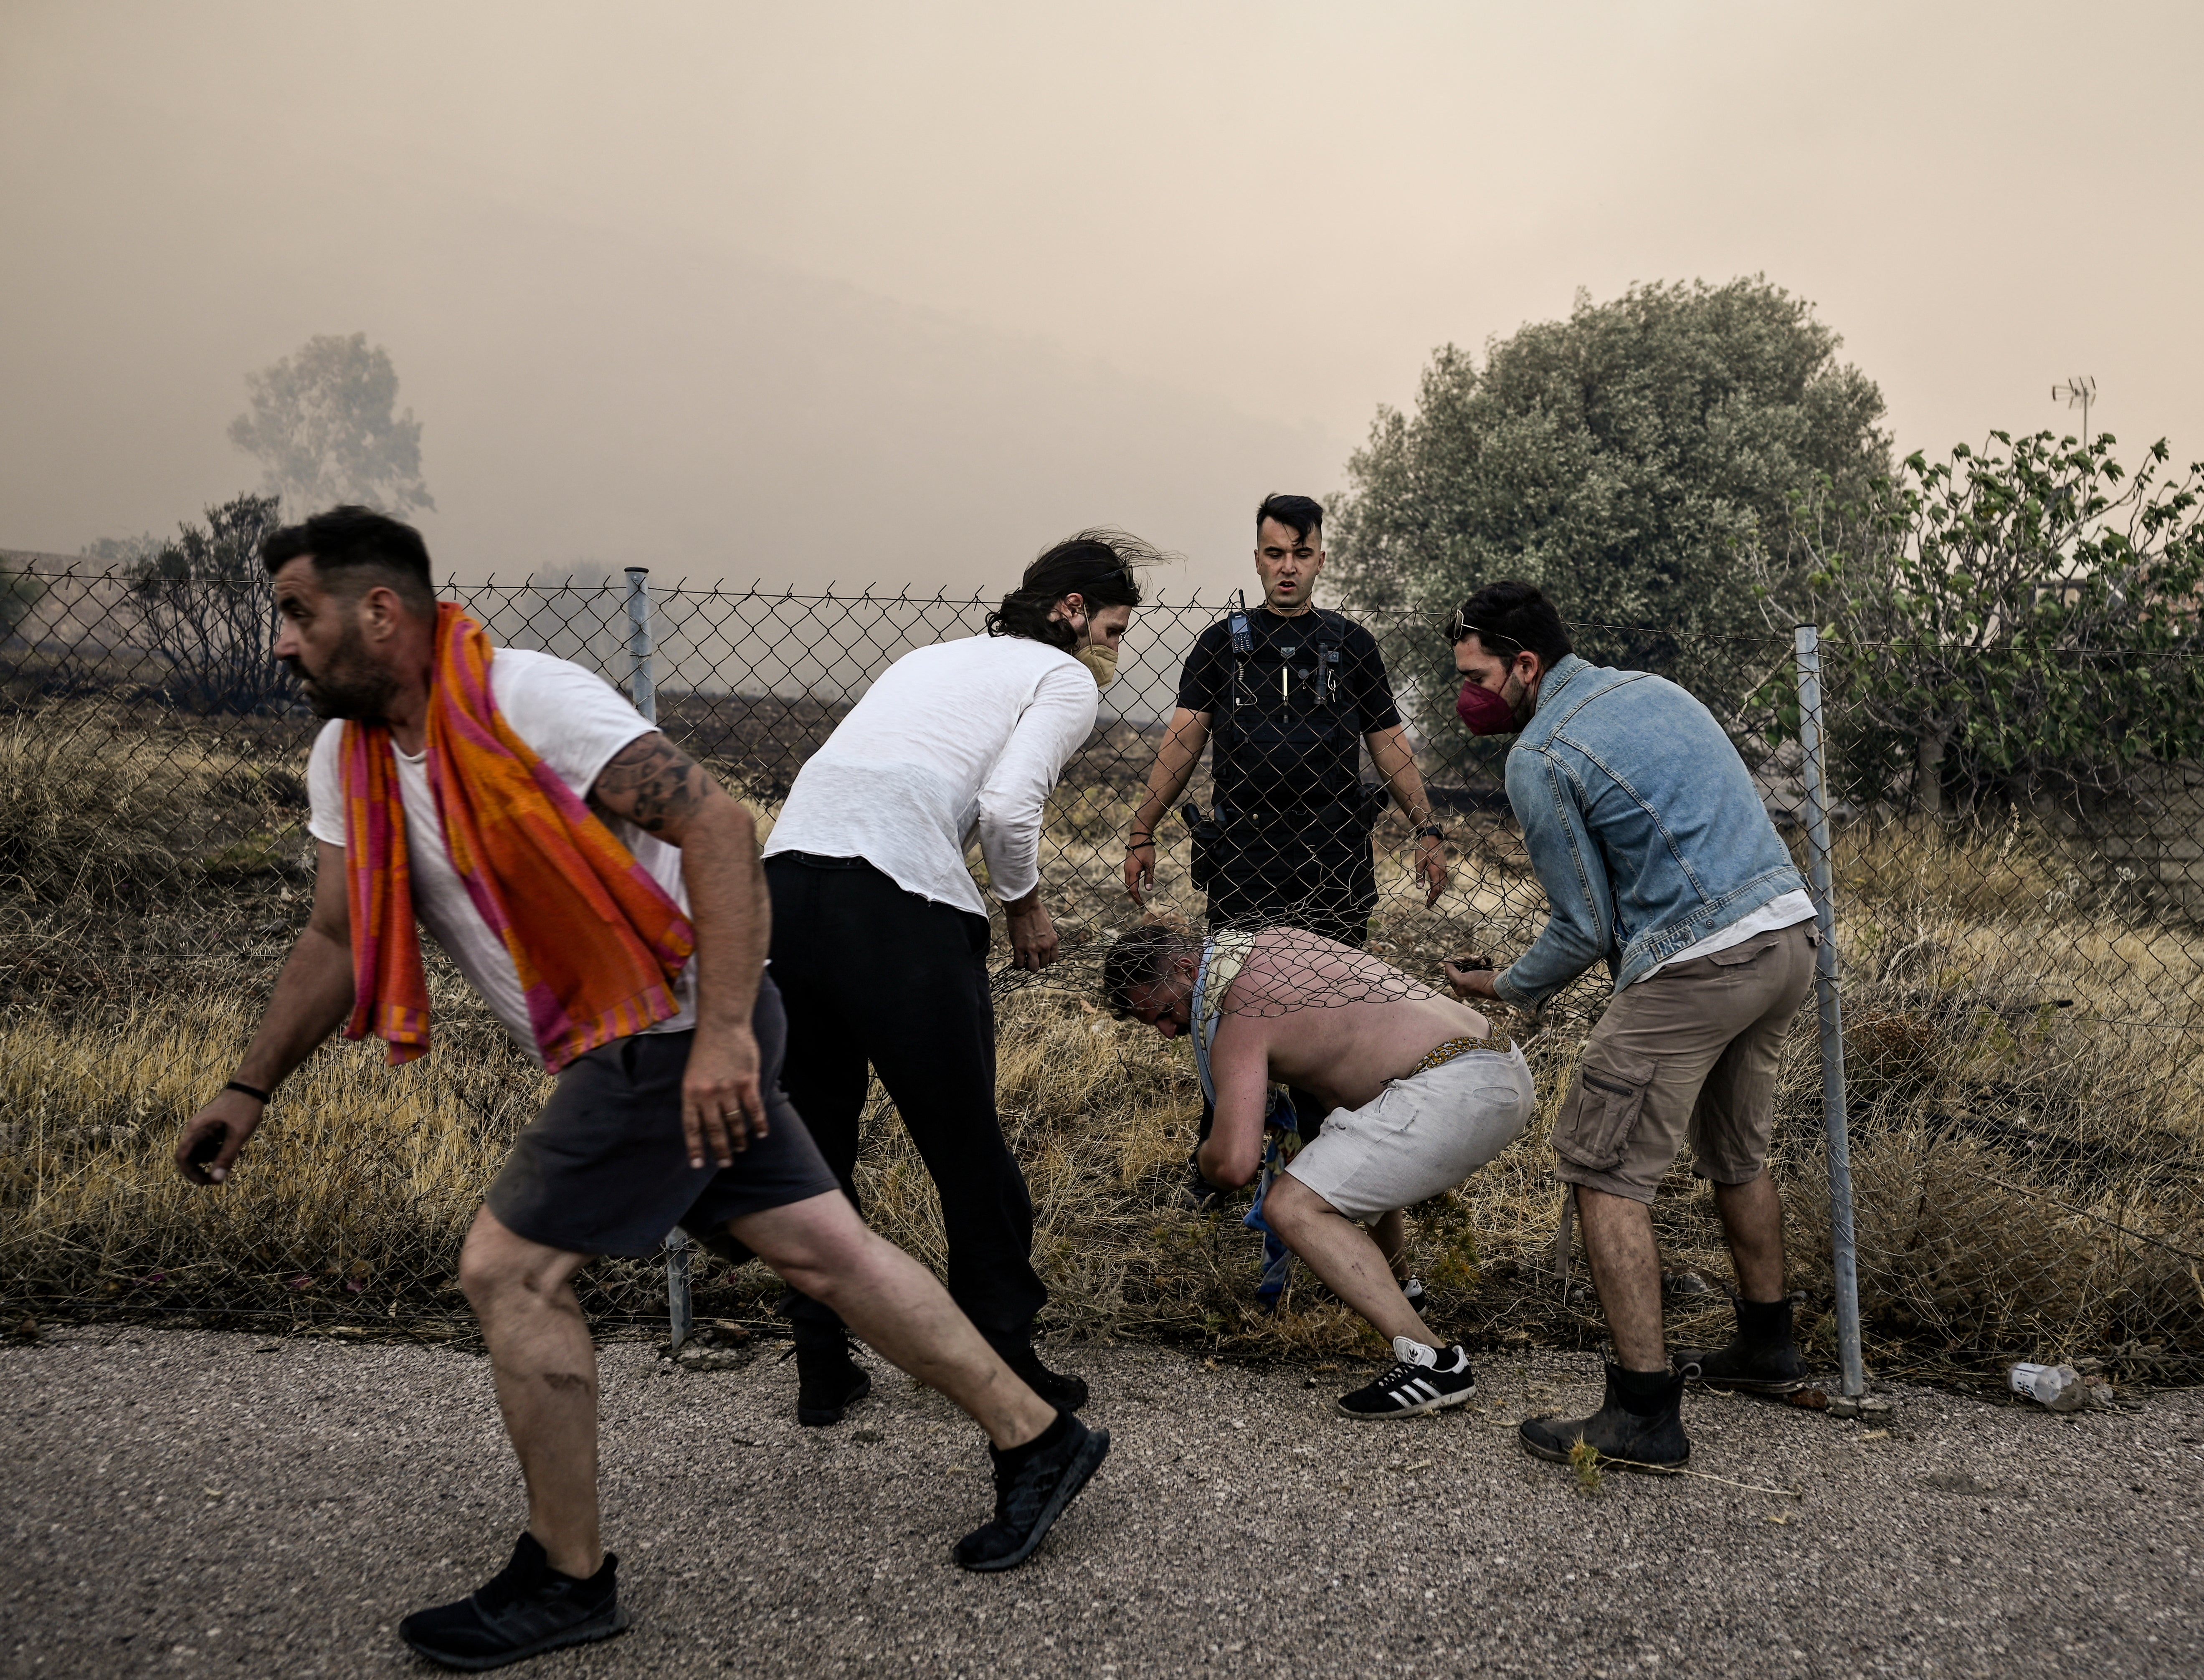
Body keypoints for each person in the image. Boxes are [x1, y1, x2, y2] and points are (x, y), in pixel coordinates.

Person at [175, 509, 1110, 1672]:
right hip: (651, 1034)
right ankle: (1037, 1438)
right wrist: (249, 1083)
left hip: (662, 1026)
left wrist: (722, 1033)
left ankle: (568, 1578)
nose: (280, 643)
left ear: (379, 613)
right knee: (825, 1249)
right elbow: (335, 935)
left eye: (297, 613)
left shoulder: (532, 703)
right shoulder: (350, 760)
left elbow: (718, 825)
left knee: (508, 1271)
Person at [758, 531, 1153, 1427]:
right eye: (1114, 629)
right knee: (967, 1149)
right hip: (896, 905)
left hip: (782, 888)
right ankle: (1010, 1365)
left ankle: (822, 1367)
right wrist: (1023, 904)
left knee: (816, 1144)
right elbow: (1010, 804)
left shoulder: (931, 657)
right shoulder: (1063, 679)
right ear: (1070, 612)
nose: (1115, 651)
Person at [1438, 581, 1819, 1475]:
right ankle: (1769, 1345)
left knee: (1602, 1164)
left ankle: (1644, 1410)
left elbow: (1583, 928)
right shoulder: (1652, 688)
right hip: (1785, 937)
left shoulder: (1540, 754)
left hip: (1698, 962)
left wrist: (1502, 985)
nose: (1468, 694)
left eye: (1477, 674)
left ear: (1525, 666)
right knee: (1738, 1151)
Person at [1103, 923, 1535, 1418]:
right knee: (1345, 1143)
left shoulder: (1238, 1010)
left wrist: (1203, 1156)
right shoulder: (1269, 941)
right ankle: (1404, 1292)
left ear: (1187, 970)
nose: (1165, 1030)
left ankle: (1432, 1363)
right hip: (1497, 1061)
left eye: (1163, 1011)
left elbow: (1234, 1164)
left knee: (1291, 1205)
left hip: (1461, 1092)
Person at [1122, 492, 1448, 946]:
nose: (1288, 567)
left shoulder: (1354, 645)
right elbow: (1181, 743)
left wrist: (1427, 830)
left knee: (1338, 991)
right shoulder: (1220, 644)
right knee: (1242, 990)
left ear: (1321, 560)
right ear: (1257, 560)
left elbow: (1390, 745)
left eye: (1302, 554)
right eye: (1275, 554)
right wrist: (1143, 831)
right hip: (1242, 853)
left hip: (1334, 852)